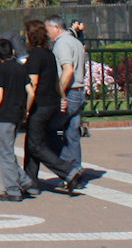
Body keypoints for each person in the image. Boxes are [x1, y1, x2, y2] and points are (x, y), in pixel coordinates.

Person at [20, 19, 79, 195]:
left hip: (41, 105)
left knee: (36, 145)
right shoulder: (48, 54)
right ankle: (30, 182)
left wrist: (26, 108)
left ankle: (68, 171)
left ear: (30, 38)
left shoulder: (35, 57)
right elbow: (53, 79)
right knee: (31, 142)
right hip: (51, 103)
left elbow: (34, 84)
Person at [0, 38, 31, 201]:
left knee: (2, 153)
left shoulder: (2, 70)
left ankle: (13, 189)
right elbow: (30, 92)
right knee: (8, 151)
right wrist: (27, 110)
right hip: (17, 114)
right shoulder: (21, 68)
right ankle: (23, 180)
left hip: (4, 115)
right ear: (13, 52)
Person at [47, 14, 90, 183]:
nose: (47, 34)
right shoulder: (76, 42)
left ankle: (69, 167)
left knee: (49, 130)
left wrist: (59, 91)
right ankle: (76, 168)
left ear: (56, 28)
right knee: (72, 132)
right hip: (79, 90)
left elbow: (68, 70)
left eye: (48, 29)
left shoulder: (62, 43)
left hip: (70, 91)